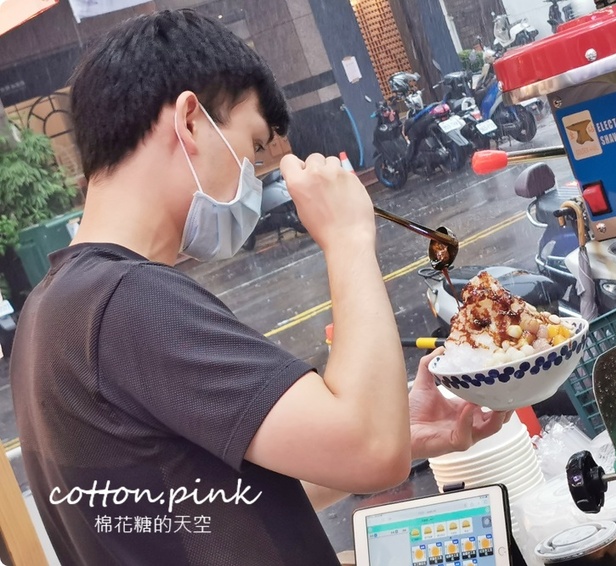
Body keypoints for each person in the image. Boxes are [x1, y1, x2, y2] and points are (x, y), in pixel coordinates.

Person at [10, 10, 509, 565]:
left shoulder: (52, 310)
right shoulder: (129, 303)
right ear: (190, 121)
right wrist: (346, 237)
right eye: (251, 147)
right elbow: (371, 451)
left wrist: (402, 430)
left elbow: (202, 503)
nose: (251, 176)